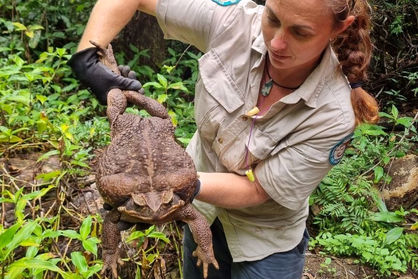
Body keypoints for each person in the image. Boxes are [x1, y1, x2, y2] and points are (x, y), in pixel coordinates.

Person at [68, 0, 379, 278]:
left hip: (264, 240)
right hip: (201, 213)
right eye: (272, 18)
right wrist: (87, 60)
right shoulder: (234, 22)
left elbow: (258, 189)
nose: (277, 41)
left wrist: (170, 184)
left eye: (301, 32)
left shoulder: (335, 114)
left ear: (340, 29)